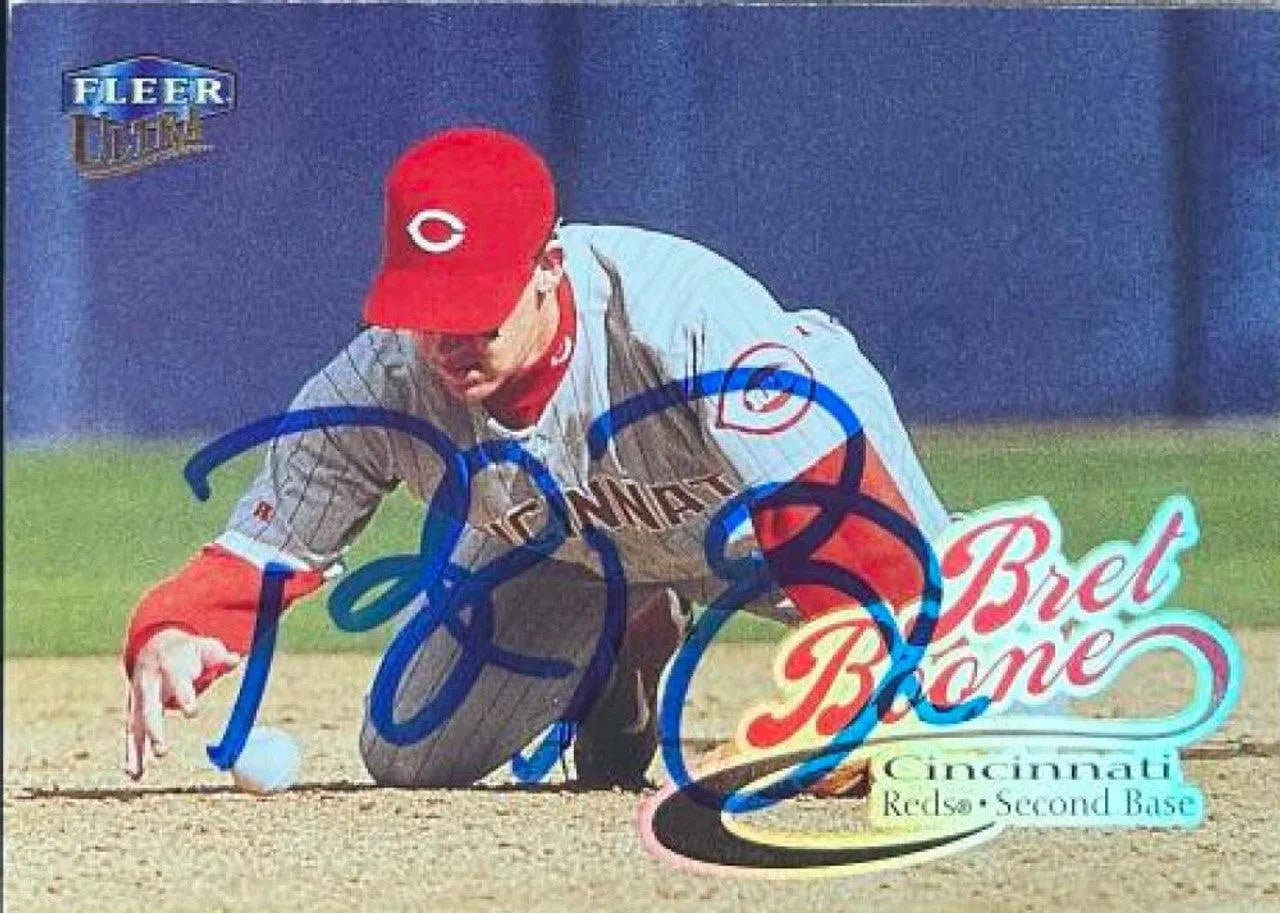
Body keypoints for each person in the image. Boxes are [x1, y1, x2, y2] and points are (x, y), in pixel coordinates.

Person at [122, 126, 949, 789]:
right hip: (575, 550)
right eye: (427, 310)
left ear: (549, 267)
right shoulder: (383, 380)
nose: (449, 340)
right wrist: (177, 626)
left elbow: (853, 532)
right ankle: (628, 636)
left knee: (962, 691)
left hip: (770, 517)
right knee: (410, 753)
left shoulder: (683, 316)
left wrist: (858, 687)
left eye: (475, 310)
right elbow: (269, 544)